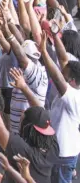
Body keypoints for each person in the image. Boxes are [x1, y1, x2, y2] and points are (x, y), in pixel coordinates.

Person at [0, 76, 59, 183]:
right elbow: (41, 114)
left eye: (22, 120)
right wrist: (24, 87)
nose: (20, 115)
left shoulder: (24, 152)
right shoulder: (53, 145)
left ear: (29, 129)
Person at [39, 32, 80, 183]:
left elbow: (57, 77)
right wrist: (55, 35)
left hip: (64, 155)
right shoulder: (72, 90)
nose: (63, 78)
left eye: (66, 78)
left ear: (73, 81)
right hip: (58, 151)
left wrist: (44, 52)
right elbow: (63, 60)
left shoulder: (74, 97)